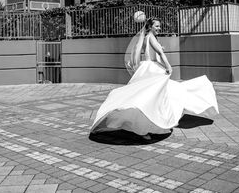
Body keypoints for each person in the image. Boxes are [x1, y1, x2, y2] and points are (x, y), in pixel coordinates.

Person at [90, 13, 219, 139]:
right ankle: (151, 124)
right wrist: (168, 66)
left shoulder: (146, 37)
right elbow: (160, 55)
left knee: (150, 98)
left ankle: (147, 125)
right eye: (156, 26)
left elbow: (146, 52)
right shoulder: (151, 37)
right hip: (153, 69)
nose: (159, 28)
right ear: (150, 27)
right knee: (156, 98)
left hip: (146, 68)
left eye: (159, 26)